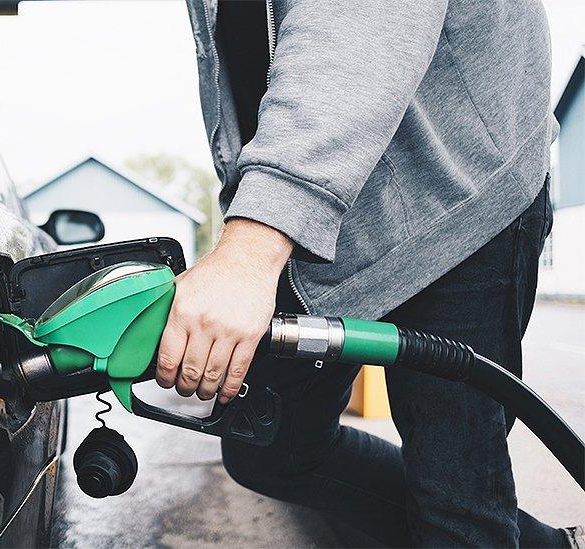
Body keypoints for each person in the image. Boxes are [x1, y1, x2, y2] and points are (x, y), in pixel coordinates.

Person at [157, 0, 580, 546]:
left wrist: (252, 245)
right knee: (268, 449)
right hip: (321, 218)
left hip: (455, 204)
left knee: (455, 497)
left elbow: (358, 23)